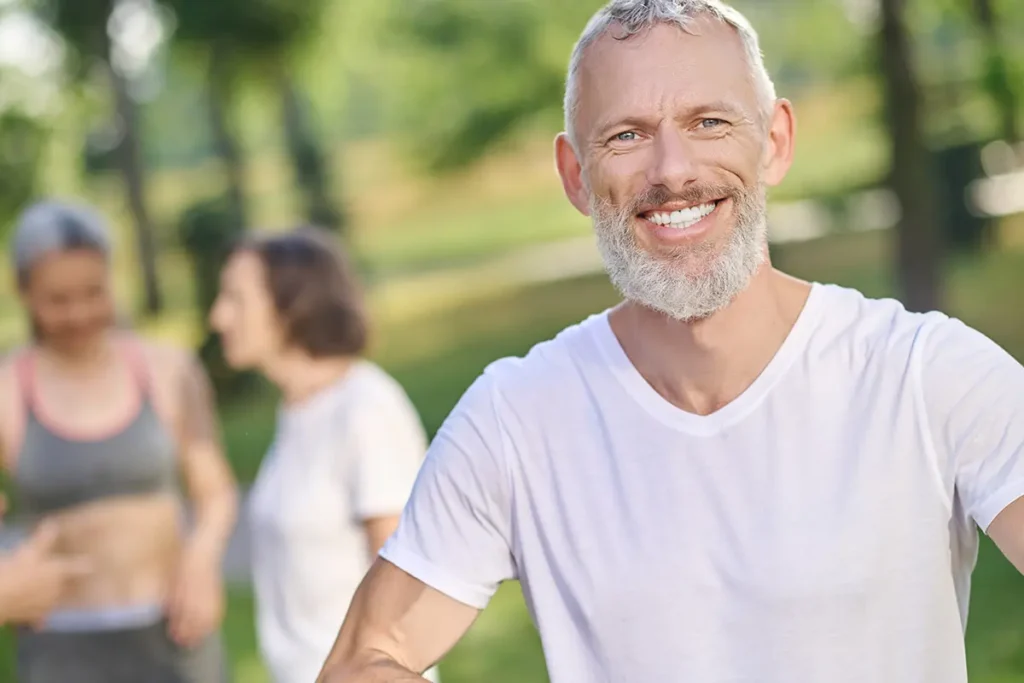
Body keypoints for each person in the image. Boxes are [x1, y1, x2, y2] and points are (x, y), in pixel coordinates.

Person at [316, 1, 1024, 682]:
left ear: (774, 142)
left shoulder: (923, 374)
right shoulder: (516, 420)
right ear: (576, 176)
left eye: (709, 121)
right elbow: (361, 660)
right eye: (625, 135)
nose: (672, 170)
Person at [0, 200, 239, 682]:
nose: (80, 313)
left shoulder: (169, 371)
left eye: (94, 292)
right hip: (60, 646)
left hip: (175, 632)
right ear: (24, 292)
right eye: (58, 299)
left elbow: (215, 491)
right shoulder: (8, 389)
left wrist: (201, 557)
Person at [209, 228, 438, 683]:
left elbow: (403, 583)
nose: (218, 317)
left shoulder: (364, 407)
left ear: (291, 304)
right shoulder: (298, 413)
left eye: (235, 298)